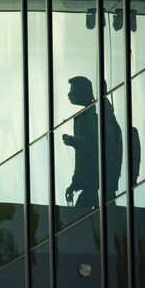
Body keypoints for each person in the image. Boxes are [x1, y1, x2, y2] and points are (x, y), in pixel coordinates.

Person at [62, 76, 98, 209]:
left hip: (92, 184)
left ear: (84, 92)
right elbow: (81, 157)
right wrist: (74, 184)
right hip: (90, 184)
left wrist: (72, 141)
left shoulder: (89, 117)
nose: (70, 94)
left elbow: (92, 147)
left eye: (73, 90)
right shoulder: (85, 116)